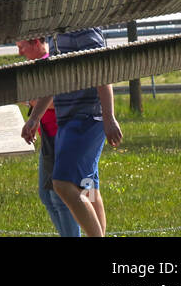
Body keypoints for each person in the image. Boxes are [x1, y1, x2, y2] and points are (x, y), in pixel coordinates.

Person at [21, 27, 122, 237]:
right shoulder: (56, 34)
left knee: (62, 184)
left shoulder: (84, 29)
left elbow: (102, 70)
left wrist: (108, 116)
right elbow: (56, 82)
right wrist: (34, 118)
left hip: (86, 118)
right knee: (89, 188)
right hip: (68, 120)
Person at [16, 36, 80, 237]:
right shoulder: (38, 66)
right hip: (49, 139)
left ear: (36, 42)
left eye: (22, 46)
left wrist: (33, 101)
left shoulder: (51, 64)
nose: (19, 52)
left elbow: (58, 100)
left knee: (59, 199)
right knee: (47, 196)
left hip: (63, 137)